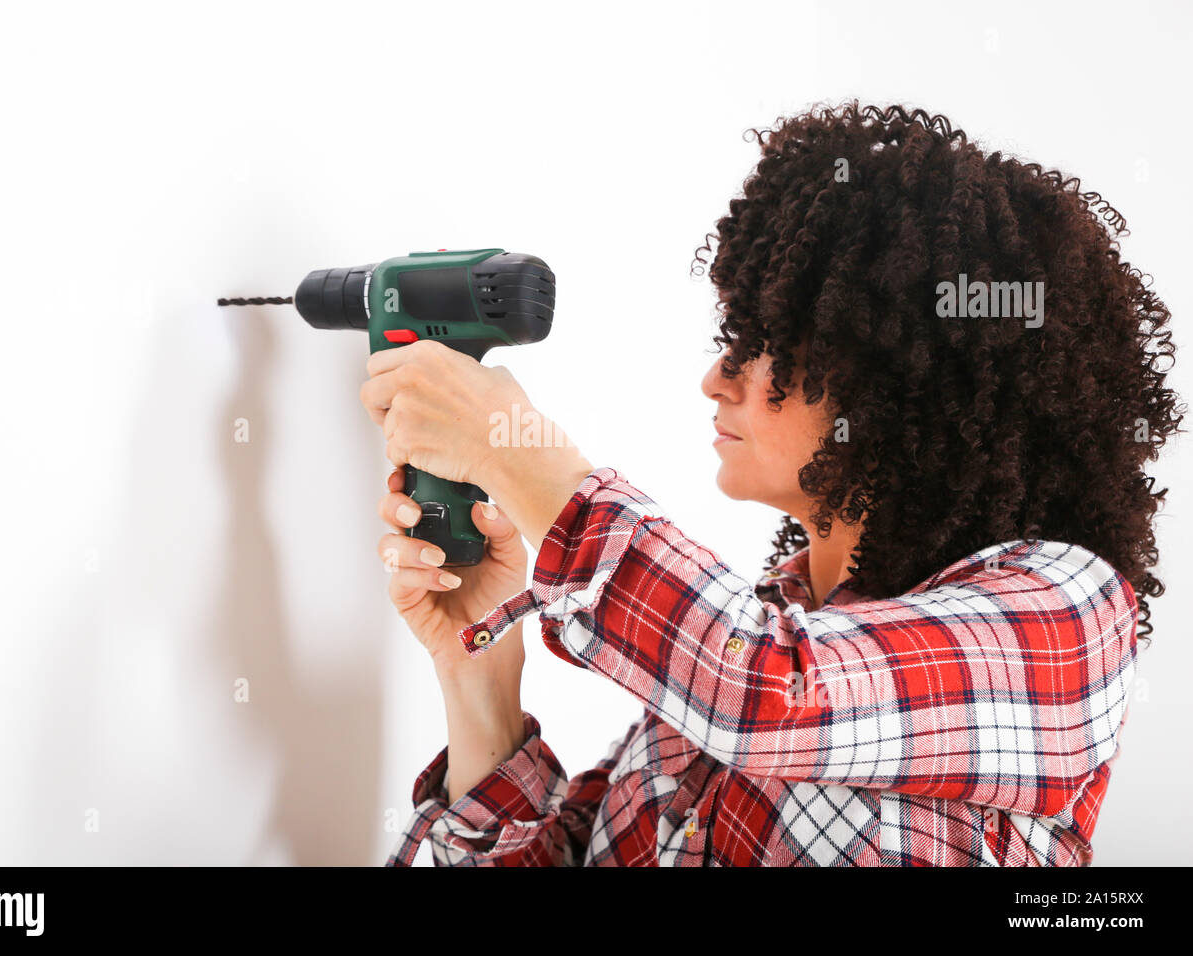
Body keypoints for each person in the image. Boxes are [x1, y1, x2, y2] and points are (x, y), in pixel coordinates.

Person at [360, 103, 1181, 866]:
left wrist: (523, 455)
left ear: (900, 377)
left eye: (769, 342)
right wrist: (481, 678)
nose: (718, 377)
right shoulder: (717, 666)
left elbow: (768, 692)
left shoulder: (1067, 621)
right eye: (735, 336)